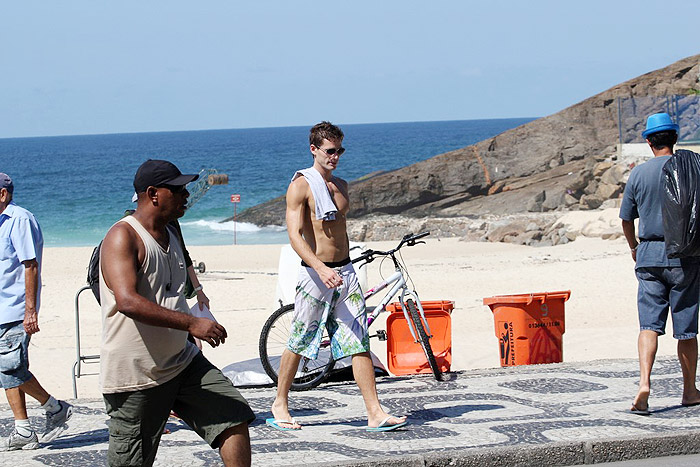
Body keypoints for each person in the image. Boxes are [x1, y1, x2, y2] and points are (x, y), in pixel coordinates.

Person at [99, 160, 254, 466]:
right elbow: (127, 301)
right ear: (153, 193)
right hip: (137, 376)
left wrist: (196, 301)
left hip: (182, 363)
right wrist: (191, 323)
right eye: (178, 189)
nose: (186, 194)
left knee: (233, 418)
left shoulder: (171, 233)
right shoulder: (123, 236)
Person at [268, 122, 407, 432]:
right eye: (330, 151)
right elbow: (294, 235)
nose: (335, 157)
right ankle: (280, 402)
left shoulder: (341, 185)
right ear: (314, 149)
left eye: (339, 150)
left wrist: (339, 269)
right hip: (315, 275)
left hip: (345, 272)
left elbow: (338, 231)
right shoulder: (301, 185)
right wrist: (319, 267)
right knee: (301, 339)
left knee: (357, 341)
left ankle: (374, 412)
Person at [620, 113, 700, 415]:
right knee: (686, 329)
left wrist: (633, 247)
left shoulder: (639, 174)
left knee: (648, 325)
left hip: (649, 254)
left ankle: (644, 383)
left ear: (648, 141)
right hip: (686, 257)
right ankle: (690, 390)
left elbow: (627, 218)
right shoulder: (691, 169)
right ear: (675, 138)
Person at [0, 173, 73, 451]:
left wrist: (30, 311)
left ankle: (54, 409)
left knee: (11, 368)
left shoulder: (19, 220)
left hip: (15, 309)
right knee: (7, 370)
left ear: (3, 195)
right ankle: (24, 429)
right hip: (2, 308)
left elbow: (30, 265)